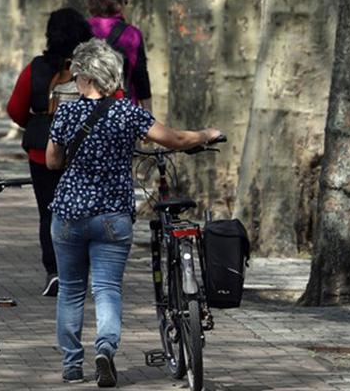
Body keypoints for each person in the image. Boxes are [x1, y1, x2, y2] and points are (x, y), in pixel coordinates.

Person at [45, 39, 221, 385]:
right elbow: (171, 139)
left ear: (83, 78)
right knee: (107, 288)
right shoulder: (128, 113)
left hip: (68, 214)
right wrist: (205, 134)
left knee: (70, 289)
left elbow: (52, 161)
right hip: (113, 215)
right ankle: (105, 350)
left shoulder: (66, 113)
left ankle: (71, 365)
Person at [5, 8, 94, 297]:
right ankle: (80, 269)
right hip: (84, 151)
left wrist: (37, 121)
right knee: (83, 211)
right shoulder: (92, 70)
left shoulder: (36, 67)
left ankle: (54, 271)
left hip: (41, 152)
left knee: (49, 212)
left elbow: (16, 109)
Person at [87, 0, 152, 107]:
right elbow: (141, 79)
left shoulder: (80, 29)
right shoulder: (132, 34)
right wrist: (148, 115)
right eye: (125, 1)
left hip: (86, 110)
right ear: (118, 5)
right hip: (123, 109)